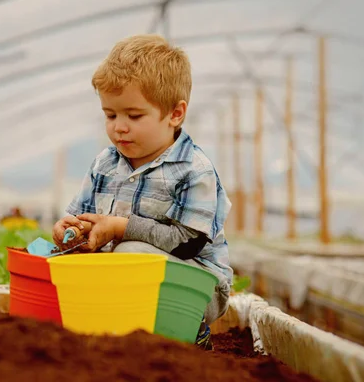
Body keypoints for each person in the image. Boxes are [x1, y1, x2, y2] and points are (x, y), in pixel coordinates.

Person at [52, 34, 233, 350]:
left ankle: (191, 330)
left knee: (130, 255)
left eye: (133, 116)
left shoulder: (193, 169)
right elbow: (80, 214)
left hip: (198, 287)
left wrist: (121, 228)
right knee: (62, 261)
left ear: (175, 114)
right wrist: (72, 230)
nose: (119, 127)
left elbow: (187, 243)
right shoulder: (104, 163)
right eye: (110, 115)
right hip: (125, 281)